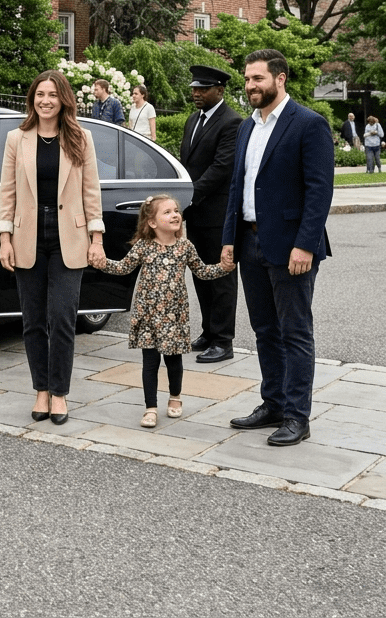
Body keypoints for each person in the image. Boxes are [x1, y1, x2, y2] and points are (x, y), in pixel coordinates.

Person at [221, 48, 334, 447]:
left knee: (295, 333)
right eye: (247, 79)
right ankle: (274, 403)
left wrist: (304, 246)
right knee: (264, 330)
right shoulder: (247, 127)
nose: (250, 86)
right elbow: (239, 185)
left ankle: (297, 417)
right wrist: (229, 240)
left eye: (258, 79)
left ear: (280, 78)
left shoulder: (308, 124)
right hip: (250, 243)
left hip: (291, 250)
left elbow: (320, 192)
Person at [0, 70, 106, 426]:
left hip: (67, 238)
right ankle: (40, 390)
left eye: (52, 95)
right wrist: (4, 238)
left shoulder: (80, 137)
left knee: (61, 317)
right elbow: (7, 192)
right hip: (27, 235)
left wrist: (97, 238)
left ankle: (59, 393)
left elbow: (91, 191)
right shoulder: (17, 138)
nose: (45, 100)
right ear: (33, 99)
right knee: (32, 321)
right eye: (40, 94)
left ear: (63, 100)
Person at [98, 195, 232, 428]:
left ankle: (175, 397)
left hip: (174, 315)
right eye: (167, 212)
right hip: (148, 315)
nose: (175, 215)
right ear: (152, 223)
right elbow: (123, 268)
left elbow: (201, 272)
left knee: (173, 360)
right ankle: (150, 408)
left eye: (176, 211)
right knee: (149, 362)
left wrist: (223, 268)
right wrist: (101, 262)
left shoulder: (185, 246)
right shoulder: (143, 246)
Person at [179, 64, 243, 364]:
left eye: (203, 89)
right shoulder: (193, 120)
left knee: (221, 280)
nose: (196, 93)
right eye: (194, 88)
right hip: (197, 215)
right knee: (201, 276)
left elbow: (221, 168)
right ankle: (208, 331)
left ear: (220, 90)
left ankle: (223, 340)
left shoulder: (232, 122)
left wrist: (189, 195)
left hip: (218, 215)